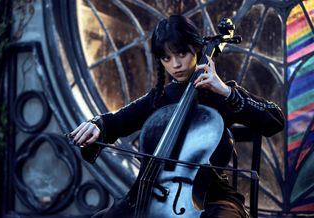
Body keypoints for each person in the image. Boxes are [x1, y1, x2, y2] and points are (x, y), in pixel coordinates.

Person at [68, 15, 285, 218]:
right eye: (166, 57)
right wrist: (97, 125)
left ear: (197, 50)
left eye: (182, 54)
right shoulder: (159, 98)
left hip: (210, 194)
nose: (175, 64)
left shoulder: (218, 94)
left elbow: (274, 119)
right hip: (147, 193)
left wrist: (227, 92)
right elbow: (116, 121)